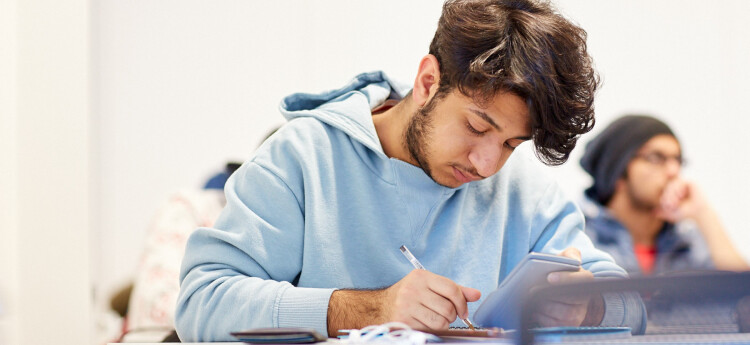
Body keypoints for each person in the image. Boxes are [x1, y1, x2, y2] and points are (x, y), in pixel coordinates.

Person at [175, 0, 645, 341]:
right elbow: (202, 303)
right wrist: (366, 309)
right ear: (427, 82)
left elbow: (634, 307)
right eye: (477, 126)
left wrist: (590, 304)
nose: (487, 164)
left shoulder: (523, 192)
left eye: (511, 144)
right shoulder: (303, 158)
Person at [580, 114, 749, 276]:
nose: (673, 171)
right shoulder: (579, 239)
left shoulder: (687, 241)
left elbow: (742, 298)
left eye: (678, 160)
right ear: (617, 173)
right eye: (656, 158)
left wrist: (704, 214)